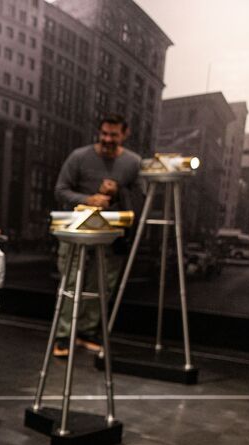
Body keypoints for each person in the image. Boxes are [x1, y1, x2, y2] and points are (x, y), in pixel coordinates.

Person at [53, 113, 141, 357]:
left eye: (113, 134)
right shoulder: (79, 157)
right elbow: (60, 190)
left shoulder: (133, 163)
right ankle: (63, 335)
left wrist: (118, 192)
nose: (107, 139)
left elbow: (140, 200)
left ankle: (85, 333)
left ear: (124, 134)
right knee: (70, 282)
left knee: (102, 283)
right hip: (75, 231)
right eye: (104, 133)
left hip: (111, 234)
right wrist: (88, 199)